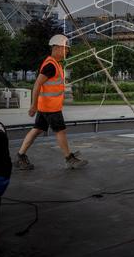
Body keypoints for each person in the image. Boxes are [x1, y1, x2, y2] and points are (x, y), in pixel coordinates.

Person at [14, 34, 88, 171]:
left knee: (37, 130)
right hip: (50, 107)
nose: (67, 51)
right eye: (65, 48)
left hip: (46, 106)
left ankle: (20, 156)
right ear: (57, 48)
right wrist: (33, 105)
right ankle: (69, 159)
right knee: (61, 131)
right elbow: (37, 85)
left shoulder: (55, 64)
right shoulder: (51, 65)